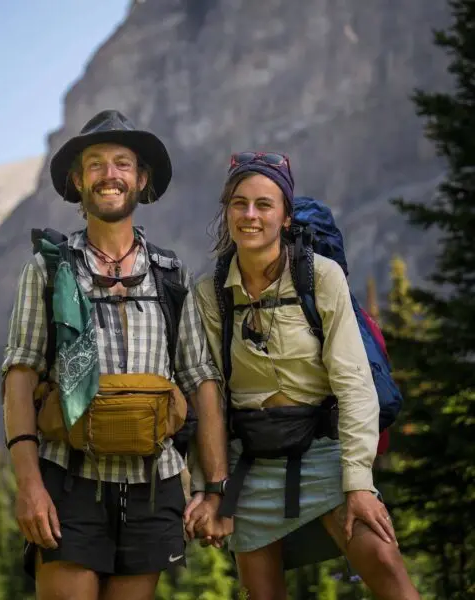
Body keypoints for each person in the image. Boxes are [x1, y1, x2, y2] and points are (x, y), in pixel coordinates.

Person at [1, 109, 229, 600]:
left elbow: (201, 380)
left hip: (153, 486)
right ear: (77, 180)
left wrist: (215, 488)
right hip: (68, 481)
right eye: (97, 164)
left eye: (123, 164)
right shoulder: (47, 269)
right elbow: (20, 375)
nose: (110, 175)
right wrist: (29, 485)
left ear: (141, 180)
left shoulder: (172, 274)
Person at [185, 152, 420, 599]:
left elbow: (354, 383)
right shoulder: (210, 292)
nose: (250, 215)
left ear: (286, 216)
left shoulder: (320, 276)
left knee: (387, 569)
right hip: (250, 464)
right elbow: (207, 395)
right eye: (239, 203)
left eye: (263, 204)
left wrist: (359, 483)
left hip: (325, 452)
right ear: (227, 210)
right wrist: (209, 489)